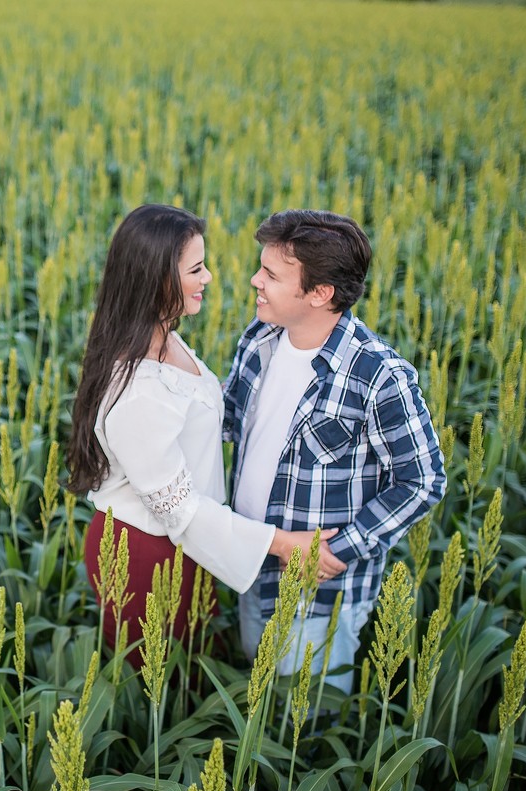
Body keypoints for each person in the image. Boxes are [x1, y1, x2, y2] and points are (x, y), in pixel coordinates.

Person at [66, 204, 342, 666]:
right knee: (161, 686)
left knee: (188, 672)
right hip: (144, 556)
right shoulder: (139, 390)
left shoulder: (162, 336)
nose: (208, 277)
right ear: (157, 280)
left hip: (187, 546)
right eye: (195, 269)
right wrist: (282, 543)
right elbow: (181, 509)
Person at [224, 209, 446, 692]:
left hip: (319, 592)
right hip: (252, 562)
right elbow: (227, 421)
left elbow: (423, 480)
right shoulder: (259, 340)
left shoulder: (378, 375)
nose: (255, 280)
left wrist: (337, 551)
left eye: (271, 275)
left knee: (304, 721)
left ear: (320, 293)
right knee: (258, 704)